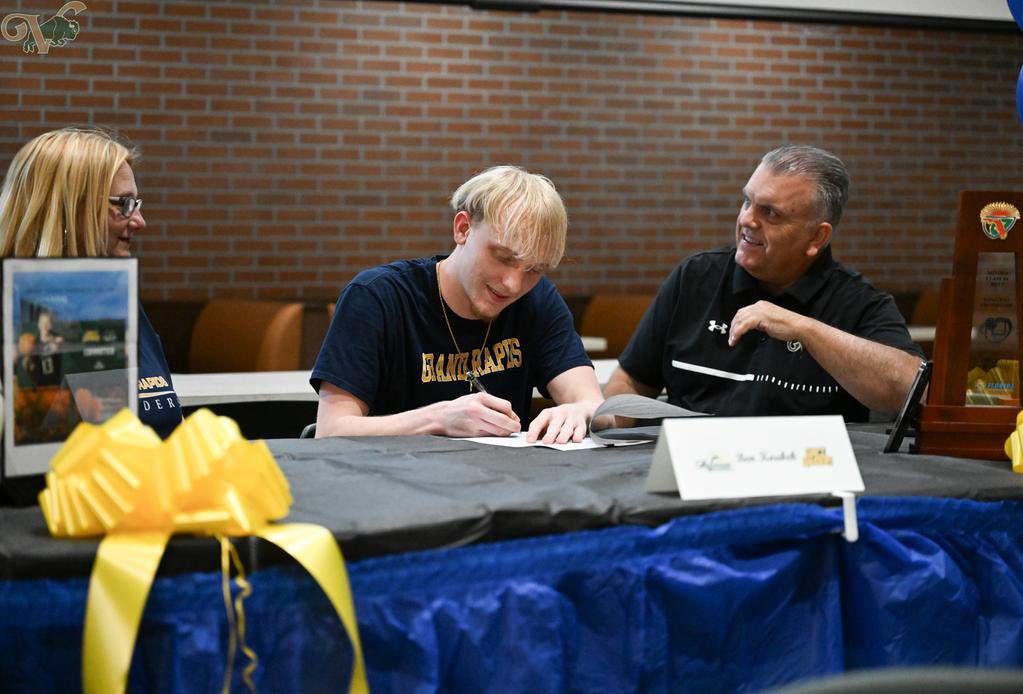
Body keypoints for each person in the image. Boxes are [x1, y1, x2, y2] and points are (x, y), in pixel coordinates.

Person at [605, 145, 924, 421]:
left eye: (770, 213)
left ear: (817, 236)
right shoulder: (696, 277)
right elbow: (631, 382)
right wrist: (599, 418)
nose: (746, 219)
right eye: (747, 202)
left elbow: (912, 390)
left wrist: (805, 329)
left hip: (800, 480)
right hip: (689, 474)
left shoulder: (858, 302)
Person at [312, 165, 606, 442]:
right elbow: (331, 430)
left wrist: (581, 411)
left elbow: (592, 403)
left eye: (535, 270)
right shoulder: (377, 297)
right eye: (503, 257)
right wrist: (438, 419)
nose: (513, 285)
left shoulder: (537, 300)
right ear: (463, 229)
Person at [0, 127, 182, 437]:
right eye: (123, 204)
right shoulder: (18, 314)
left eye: (136, 204)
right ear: (68, 210)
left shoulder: (116, 300)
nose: (140, 221)